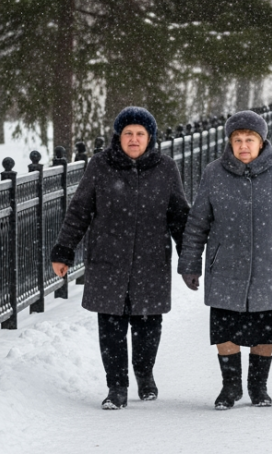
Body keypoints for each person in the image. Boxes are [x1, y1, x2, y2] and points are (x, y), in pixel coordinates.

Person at [178, 111, 272, 410]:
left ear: (261, 142)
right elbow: (198, 222)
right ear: (230, 143)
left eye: (250, 140)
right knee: (225, 331)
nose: (244, 146)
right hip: (225, 268)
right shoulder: (213, 173)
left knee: (264, 332)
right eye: (238, 140)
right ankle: (230, 387)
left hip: (270, 268)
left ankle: (258, 387)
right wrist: (190, 263)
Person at [51, 107, 189, 410]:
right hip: (108, 259)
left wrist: (188, 258)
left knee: (148, 325)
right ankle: (117, 386)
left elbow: (179, 215)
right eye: (128, 133)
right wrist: (64, 250)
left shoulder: (165, 168)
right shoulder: (100, 166)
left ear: (150, 137)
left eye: (140, 133)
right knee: (111, 326)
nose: (134, 139)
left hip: (151, 260)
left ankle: (144, 373)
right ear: (119, 136)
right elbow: (79, 210)